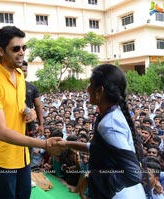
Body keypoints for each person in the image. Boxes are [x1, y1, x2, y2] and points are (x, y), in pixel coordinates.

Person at [0, 26, 63, 199]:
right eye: (16, 48)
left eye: (24, 48)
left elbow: (20, 103)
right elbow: (0, 132)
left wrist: (29, 112)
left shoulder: (20, 75)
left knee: (24, 195)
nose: (22, 52)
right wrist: (44, 144)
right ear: (1, 51)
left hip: (21, 153)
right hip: (0, 157)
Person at [59, 64, 146, 199]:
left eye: (90, 84)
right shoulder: (109, 116)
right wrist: (66, 144)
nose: (87, 89)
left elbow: (133, 174)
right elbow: (100, 150)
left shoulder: (109, 125)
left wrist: (93, 178)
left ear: (99, 91)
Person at [20, 60, 44, 136]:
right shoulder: (8, 87)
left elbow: (38, 106)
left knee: (29, 146)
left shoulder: (32, 87)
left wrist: (41, 124)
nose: (23, 73)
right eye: (21, 71)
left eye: (25, 71)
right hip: (14, 122)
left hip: (29, 124)